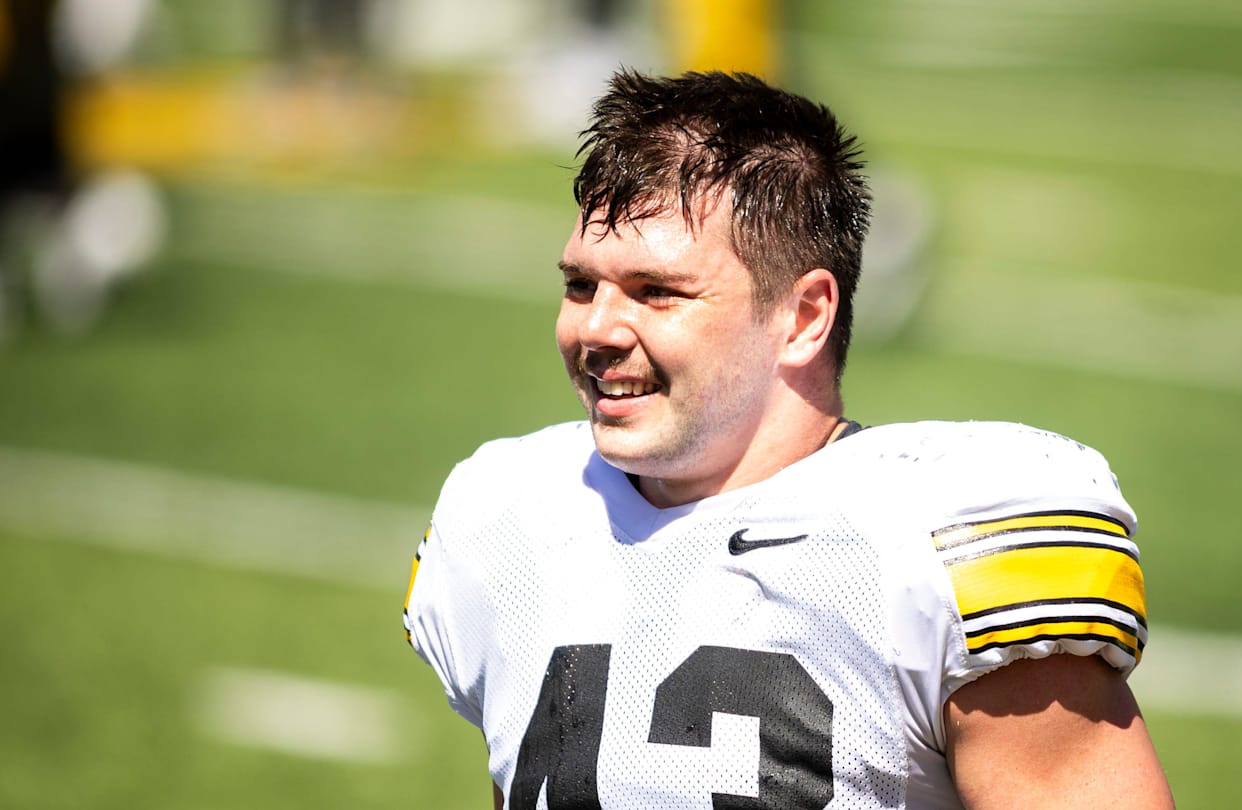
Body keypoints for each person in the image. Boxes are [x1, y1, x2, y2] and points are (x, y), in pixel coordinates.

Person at [403, 69, 1174, 809]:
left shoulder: (935, 550)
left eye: (656, 291)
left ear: (803, 317)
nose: (596, 329)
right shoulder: (513, 515)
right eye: (581, 285)